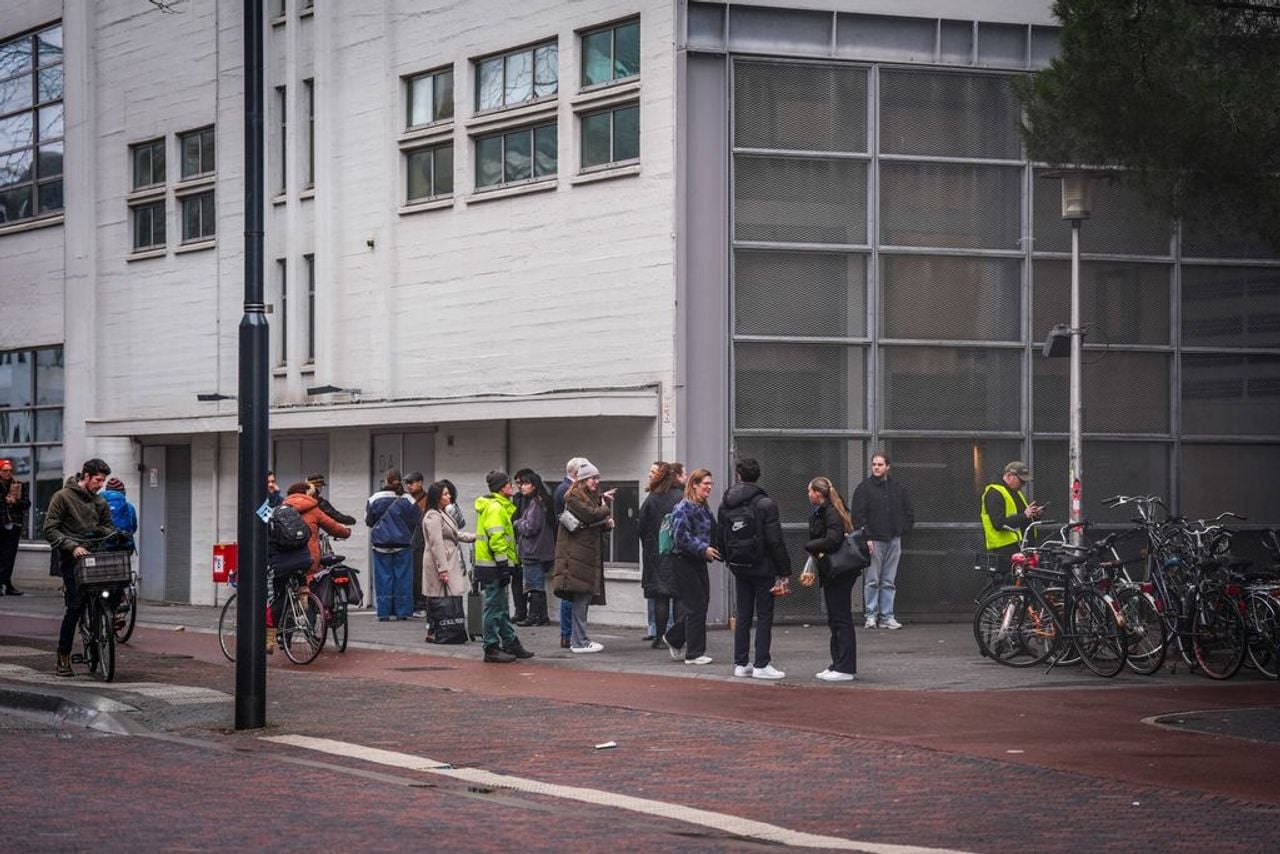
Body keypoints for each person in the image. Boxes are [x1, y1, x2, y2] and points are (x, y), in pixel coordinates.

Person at [43, 459, 118, 677]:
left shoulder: (100, 502)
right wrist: (72, 546)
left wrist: (108, 533)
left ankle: (105, 622)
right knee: (75, 606)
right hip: (71, 558)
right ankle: (63, 657)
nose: (101, 485)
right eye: (97, 480)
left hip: (94, 555)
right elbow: (50, 529)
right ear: (86, 476)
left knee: (113, 589)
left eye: (103, 481)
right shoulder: (62, 497)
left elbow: (108, 526)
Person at [717, 458, 791, 679]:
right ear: (758, 476)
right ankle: (761, 664)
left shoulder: (726, 503)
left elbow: (720, 535)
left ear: (739, 475)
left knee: (743, 615)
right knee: (764, 615)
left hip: (739, 566)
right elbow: (775, 541)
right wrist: (784, 571)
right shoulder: (765, 504)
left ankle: (741, 663)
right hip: (763, 566)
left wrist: (728, 559)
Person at [271, 482, 352, 644]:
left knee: (284, 594)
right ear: (307, 494)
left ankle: (283, 636)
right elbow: (333, 527)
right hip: (308, 559)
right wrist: (346, 532)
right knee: (311, 591)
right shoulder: (313, 509)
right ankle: (311, 630)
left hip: (286, 559)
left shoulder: (280, 510)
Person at [552, 462, 614, 653]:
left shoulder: (586, 497)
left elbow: (590, 523)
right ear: (582, 480)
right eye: (592, 478)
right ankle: (578, 641)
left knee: (583, 597)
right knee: (580, 598)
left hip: (584, 554)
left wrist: (605, 524)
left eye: (597, 478)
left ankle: (579, 639)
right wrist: (605, 508)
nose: (596, 481)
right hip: (576, 556)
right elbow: (591, 515)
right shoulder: (573, 497)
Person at [850, 452, 914, 630]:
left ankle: (886, 616)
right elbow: (858, 516)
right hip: (875, 540)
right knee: (873, 580)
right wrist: (867, 537)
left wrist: (901, 530)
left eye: (879, 464)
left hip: (893, 538)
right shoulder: (864, 488)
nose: (876, 468)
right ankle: (872, 615)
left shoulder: (898, 488)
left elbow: (908, 512)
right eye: (874, 464)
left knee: (888, 580)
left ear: (887, 466)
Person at [474, 470, 534, 663]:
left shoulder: (497, 506)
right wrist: (503, 565)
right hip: (494, 567)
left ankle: (510, 642)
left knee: (501, 607)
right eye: (509, 484)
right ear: (501, 488)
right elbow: (497, 539)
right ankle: (491, 647)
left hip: (493, 565)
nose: (512, 486)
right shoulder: (496, 508)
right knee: (494, 607)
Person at [804, 476, 858, 682]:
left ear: (818, 493)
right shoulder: (827, 510)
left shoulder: (830, 512)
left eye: (810, 491)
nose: (808, 495)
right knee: (835, 618)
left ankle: (845, 666)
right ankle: (837, 663)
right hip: (834, 571)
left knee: (840, 618)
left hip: (839, 572)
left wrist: (812, 546)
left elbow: (833, 539)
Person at [663, 468, 719, 666]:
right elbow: (680, 537)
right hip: (684, 561)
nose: (709, 487)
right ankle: (694, 654)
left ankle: (674, 637)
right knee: (696, 606)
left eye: (711, 484)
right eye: (706, 484)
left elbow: (713, 532)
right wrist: (703, 549)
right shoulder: (683, 507)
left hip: (697, 560)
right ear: (694, 484)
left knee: (701, 603)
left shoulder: (703, 507)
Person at [365, 468, 422, 621]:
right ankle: (402, 612)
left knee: (383, 578)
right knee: (403, 578)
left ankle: (384, 612)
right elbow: (417, 519)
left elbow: (369, 521)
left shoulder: (375, 498)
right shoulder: (408, 499)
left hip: (381, 545)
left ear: (386, 480)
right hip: (402, 544)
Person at [638, 462, 683, 649]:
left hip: (656, 553)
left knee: (661, 596)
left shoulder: (652, 497)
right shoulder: (681, 496)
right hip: (678, 552)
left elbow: (641, 526)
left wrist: (650, 545)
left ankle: (659, 637)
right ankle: (678, 637)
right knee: (679, 596)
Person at [981, 461, 1044, 578]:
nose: (1023, 485)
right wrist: (1024, 515)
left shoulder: (1015, 492)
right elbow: (998, 523)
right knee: (1010, 583)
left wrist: (1034, 515)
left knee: (1023, 582)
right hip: (1006, 550)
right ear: (1009, 475)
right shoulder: (994, 493)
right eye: (1021, 481)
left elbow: (1021, 516)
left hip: (1021, 546)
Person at [553, 457, 590, 648]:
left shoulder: (566, 489)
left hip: (572, 547)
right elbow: (568, 518)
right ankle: (568, 634)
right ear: (577, 473)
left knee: (573, 594)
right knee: (570, 594)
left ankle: (569, 634)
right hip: (570, 547)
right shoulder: (565, 491)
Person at [422, 480, 476, 601]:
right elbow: (436, 544)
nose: (449, 496)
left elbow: (453, 533)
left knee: (451, 597)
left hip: (448, 561)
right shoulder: (433, 516)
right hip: (442, 564)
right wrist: (443, 570)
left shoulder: (442, 513)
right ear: (437, 497)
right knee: (443, 600)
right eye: (445, 494)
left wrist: (473, 536)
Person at [513, 468, 555, 627]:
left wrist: (518, 523)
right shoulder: (543, 501)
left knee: (534, 586)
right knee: (537, 584)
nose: (522, 487)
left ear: (534, 485)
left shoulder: (536, 503)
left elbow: (531, 527)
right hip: (541, 549)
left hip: (533, 550)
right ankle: (542, 616)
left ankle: (533, 616)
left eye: (526, 484)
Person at [0, 458, 31, 596]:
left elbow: (27, 503)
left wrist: (15, 502)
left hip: (14, 524)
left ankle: (6, 583)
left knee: (10, 556)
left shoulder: (18, 485)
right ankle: (3, 583)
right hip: (1, 523)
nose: (7, 473)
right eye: (4, 471)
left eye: (9, 471)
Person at [403, 472, 430, 612]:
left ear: (420, 483)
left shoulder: (427, 500)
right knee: (408, 574)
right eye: (407, 483)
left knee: (419, 574)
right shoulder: (405, 499)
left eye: (411, 483)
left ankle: (420, 604)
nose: (408, 486)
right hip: (406, 540)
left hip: (421, 541)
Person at [101, 477, 138, 554]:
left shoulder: (99, 505)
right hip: (124, 547)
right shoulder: (129, 507)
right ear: (123, 492)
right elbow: (133, 527)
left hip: (104, 547)